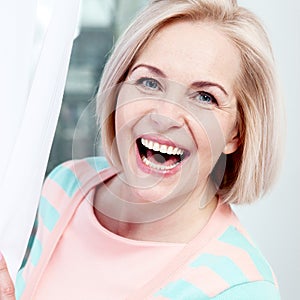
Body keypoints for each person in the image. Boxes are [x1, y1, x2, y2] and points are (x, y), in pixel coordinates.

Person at [0, 0, 283, 299]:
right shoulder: (65, 187)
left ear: (236, 132)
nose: (164, 116)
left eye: (204, 97)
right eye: (149, 81)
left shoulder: (239, 287)